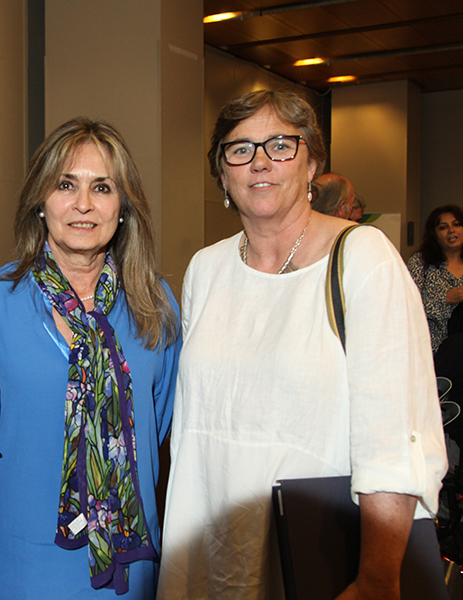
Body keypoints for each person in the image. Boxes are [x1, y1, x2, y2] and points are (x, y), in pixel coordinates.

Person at [157, 90, 446, 600]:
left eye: (280, 145)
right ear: (222, 175)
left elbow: (396, 431)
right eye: (240, 149)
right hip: (206, 551)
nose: (260, 161)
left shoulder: (363, 258)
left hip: (316, 554)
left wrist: (377, 578)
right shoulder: (207, 268)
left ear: (312, 161)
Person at [0, 117, 181, 599]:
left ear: (123, 207)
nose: (83, 204)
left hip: (129, 565)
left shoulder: (155, 305)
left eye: (101, 187)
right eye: (65, 185)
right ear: (41, 201)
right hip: (17, 562)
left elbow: (158, 424)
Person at [407, 205, 463, 354]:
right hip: (432, 353)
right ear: (434, 234)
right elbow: (408, 308)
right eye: (443, 227)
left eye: (456, 224)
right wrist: (445, 299)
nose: (452, 230)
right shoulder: (421, 263)